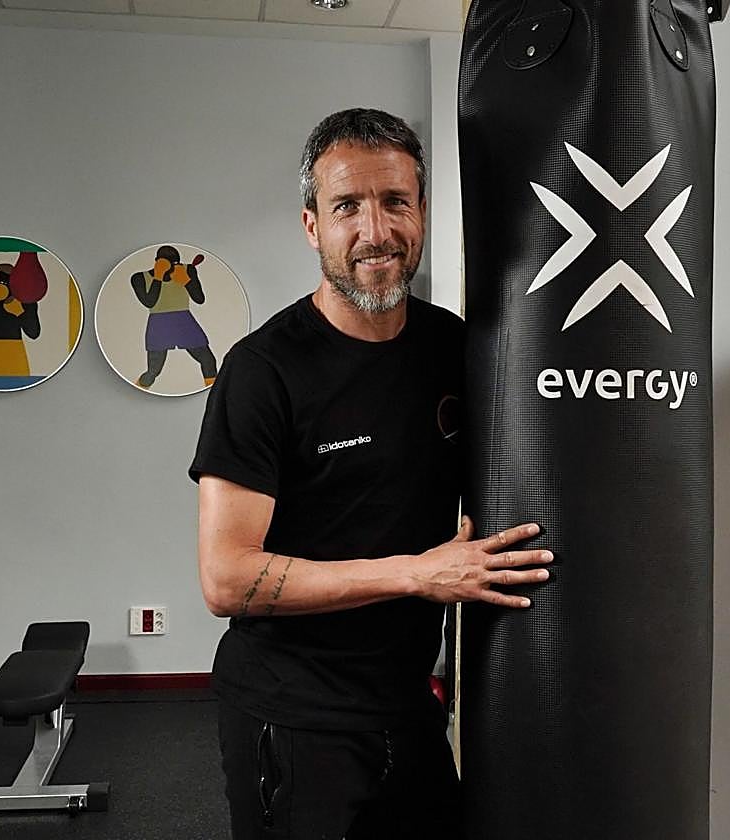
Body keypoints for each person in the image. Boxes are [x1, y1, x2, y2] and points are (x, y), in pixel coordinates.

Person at [189, 108, 553, 840]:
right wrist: (418, 574)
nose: (376, 231)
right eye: (347, 207)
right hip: (295, 715)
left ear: (422, 212)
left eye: (395, 202)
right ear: (312, 226)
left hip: (411, 710)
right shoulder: (263, 371)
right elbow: (226, 579)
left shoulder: (456, 347)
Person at [129, 245, 218, 389]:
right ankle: (139, 389)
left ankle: (213, 393)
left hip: (184, 321)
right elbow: (149, 302)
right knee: (153, 371)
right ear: (157, 261)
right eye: (165, 263)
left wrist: (186, 281)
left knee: (208, 361)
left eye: (175, 264)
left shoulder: (187, 270)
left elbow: (199, 299)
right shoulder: (139, 278)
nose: (171, 267)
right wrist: (158, 276)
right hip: (159, 324)